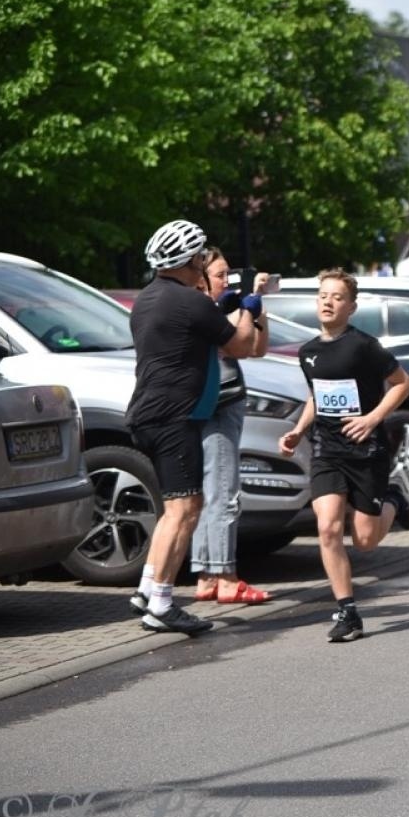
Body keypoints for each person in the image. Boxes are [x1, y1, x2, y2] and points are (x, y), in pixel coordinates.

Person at [127, 221, 263, 635]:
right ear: (189, 261)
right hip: (174, 417)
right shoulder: (190, 301)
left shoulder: (146, 299)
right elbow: (240, 345)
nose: (204, 262)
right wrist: (249, 311)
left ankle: (147, 588)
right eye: (201, 256)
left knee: (176, 508)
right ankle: (163, 604)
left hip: (148, 414)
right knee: (186, 508)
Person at [278, 269, 409, 642]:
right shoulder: (308, 352)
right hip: (327, 450)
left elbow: (403, 383)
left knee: (366, 541)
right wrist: (298, 430)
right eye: (323, 295)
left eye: (337, 297)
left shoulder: (363, 346)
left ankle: (393, 499)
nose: (327, 301)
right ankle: (347, 611)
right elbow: (317, 396)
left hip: (366, 451)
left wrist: (372, 418)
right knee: (327, 527)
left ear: (351, 307)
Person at [191, 248, 272, 605]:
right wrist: (243, 309)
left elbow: (257, 349)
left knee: (211, 491)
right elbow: (238, 350)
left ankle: (208, 575)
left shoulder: (220, 309)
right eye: (221, 275)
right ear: (200, 278)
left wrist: (257, 313)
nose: (228, 281)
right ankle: (226, 576)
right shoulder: (203, 311)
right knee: (224, 490)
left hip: (219, 403)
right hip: (219, 404)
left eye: (229, 274)